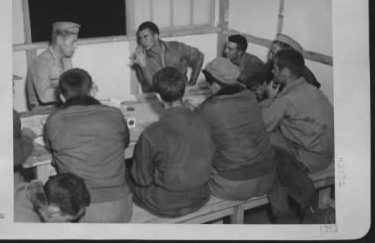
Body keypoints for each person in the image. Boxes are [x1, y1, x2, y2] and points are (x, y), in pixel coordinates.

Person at [44, 68, 132, 223]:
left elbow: (51, 149)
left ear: (62, 97)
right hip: (122, 209)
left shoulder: (54, 120)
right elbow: (125, 143)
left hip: (79, 211)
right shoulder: (114, 114)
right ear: (92, 90)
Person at [127, 67, 216, 218]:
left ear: (158, 97)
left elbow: (142, 180)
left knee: (126, 174)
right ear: (183, 91)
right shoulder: (205, 120)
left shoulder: (151, 133)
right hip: (201, 195)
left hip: (166, 204)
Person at [261, 49, 334, 222]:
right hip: (325, 155)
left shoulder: (285, 100)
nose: (272, 71)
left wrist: (269, 99)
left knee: (261, 137)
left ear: (285, 72)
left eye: (276, 68)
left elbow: (262, 126)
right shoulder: (313, 90)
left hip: (308, 161)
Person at [196, 58, 277, 201]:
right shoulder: (251, 97)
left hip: (233, 186)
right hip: (267, 178)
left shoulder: (209, 108)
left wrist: (194, 113)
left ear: (214, 86)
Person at [130, 21, 205, 93]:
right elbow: (150, 87)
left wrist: (192, 82)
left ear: (155, 36)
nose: (142, 41)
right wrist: (143, 66)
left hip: (181, 93)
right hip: (160, 96)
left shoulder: (176, 47)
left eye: (145, 37)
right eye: (140, 38)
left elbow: (199, 57)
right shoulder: (141, 58)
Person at [26, 21, 80, 109]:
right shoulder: (41, 62)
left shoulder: (66, 59)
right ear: (59, 40)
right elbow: (44, 97)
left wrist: (84, 86)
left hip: (60, 107)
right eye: (72, 42)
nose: (75, 46)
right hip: (42, 112)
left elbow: (69, 84)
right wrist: (74, 92)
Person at [14, 173, 90, 222]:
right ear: (54, 211)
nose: (68, 224)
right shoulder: (26, 224)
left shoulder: (28, 190)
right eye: (68, 220)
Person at [13, 74, 37, 184]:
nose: (13, 93)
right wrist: (27, 137)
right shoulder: (9, 115)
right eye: (11, 87)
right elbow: (17, 157)